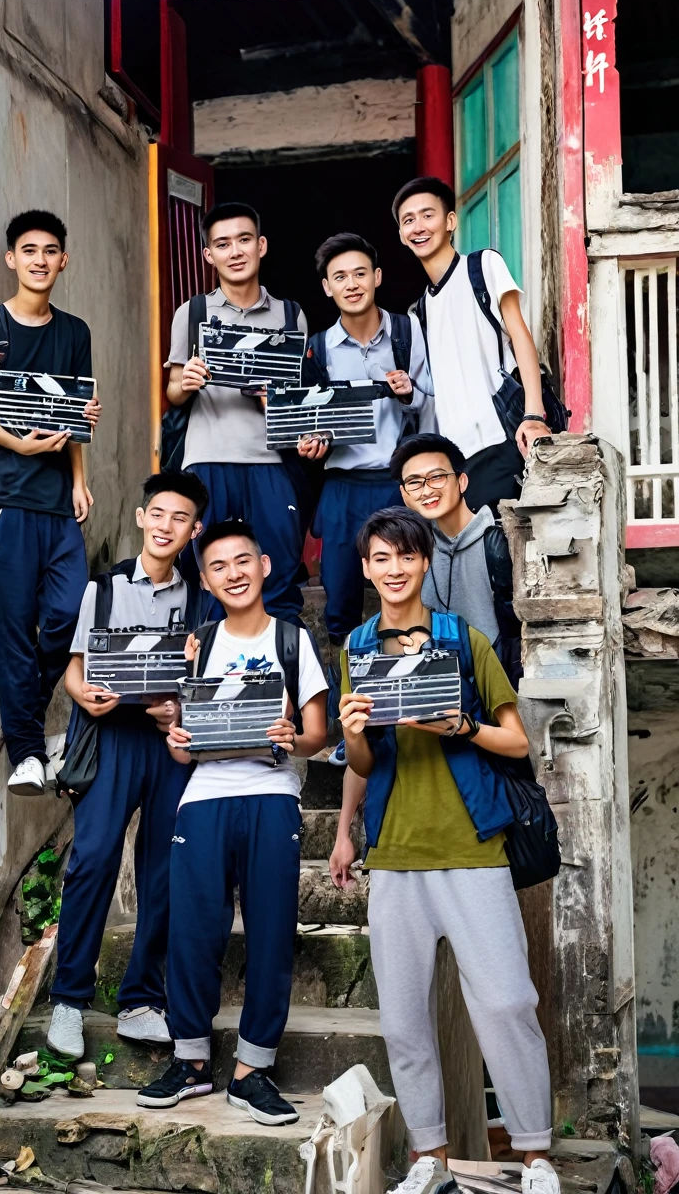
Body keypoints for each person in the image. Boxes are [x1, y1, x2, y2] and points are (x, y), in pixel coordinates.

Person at [329, 508, 558, 1194]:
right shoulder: (357, 648)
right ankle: (428, 1158)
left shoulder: (466, 639)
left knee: (508, 1002)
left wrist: (463, 724)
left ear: (424, 561)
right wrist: (344, 829)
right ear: (366, 569)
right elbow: (361, 761)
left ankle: (536, 1156)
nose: (393, 569)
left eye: (405, 556)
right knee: (403, 1018)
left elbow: (518, 741)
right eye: (380, 558)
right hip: (395, 853)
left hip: (472, 846)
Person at [137, 520, 328, 1126]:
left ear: (266, 565)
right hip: (204, 798)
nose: (233, 574)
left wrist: (291, 737)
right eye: (218, 567)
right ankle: (190, 1062)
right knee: (193, 930)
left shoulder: (292, 640)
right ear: (206, 579)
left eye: (243, 561)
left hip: (271, 795)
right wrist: (178, 739)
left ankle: (252, 1072)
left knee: (271, 933)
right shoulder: (198, 644)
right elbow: (182, 748)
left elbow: (320, 734)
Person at [47, 470, 216, 1059]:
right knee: (93, 859)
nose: (168, 526)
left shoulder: (202, 601)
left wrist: (180, 704)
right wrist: (82, 694)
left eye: (182, 519)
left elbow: (206, 686)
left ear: (193, 531)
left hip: (168, 744)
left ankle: (143, 1000)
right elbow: (74, 666)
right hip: (112, 737)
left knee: (164, 867)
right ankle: (69, 1000)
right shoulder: (106, 589)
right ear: (143, 517)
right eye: (160, 514)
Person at [0, 210, 101, 794]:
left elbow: (77, 414)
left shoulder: (76, 333)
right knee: (14, 631)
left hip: (58, 505)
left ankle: (29, 727)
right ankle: (26, 753)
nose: (40, 260)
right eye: (29, 250)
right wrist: (17, 442)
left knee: (69, 616)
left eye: (51, 251)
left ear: (63, 261)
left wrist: (79, 480)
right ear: (11, 259)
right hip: (9, 503)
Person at [164, 202, 308, 622]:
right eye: (222, 244)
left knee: (277, 576)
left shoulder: (290, 314)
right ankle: (209, 679)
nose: (235, 251)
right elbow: (173, 392)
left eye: (244, 240)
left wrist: (273, 397)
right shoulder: (192, 313)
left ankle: (288, 680)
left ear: (261, 246)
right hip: (206, 461)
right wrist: (185, 380)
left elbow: (299, 401)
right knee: (207, 578)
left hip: (270, 462)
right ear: (209, 255)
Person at [300, 232, 435, 646]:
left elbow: (433, 402)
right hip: (342, 486)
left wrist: (410, 392)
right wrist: (311, 446)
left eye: (360, 273)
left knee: (413, 590)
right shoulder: (318, 348)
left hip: (399, 483)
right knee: (340, 598)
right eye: (340, 277)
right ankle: (348, 702)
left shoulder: (407, 331)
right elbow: (306, 422)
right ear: (327, 287)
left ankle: (416, 688)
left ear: (377, 277)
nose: (352, 284)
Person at [392, 177, 550, 514]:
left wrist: (533, 414)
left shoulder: (482, 267)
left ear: (450, 222)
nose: (418, 226)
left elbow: (520, 337)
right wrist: (409, 389)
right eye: (408, 220)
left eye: (427, 215)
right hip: (457, 462)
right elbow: (439, 387)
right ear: (402, 236)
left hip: (501, 442)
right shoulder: (418, 310)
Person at [390, 432, 521, 687]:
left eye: (437, 477)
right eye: (415, 483)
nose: (427, 490)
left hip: (497, 682)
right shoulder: (413, 552)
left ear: (461, 481)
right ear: (405, 495)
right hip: (435, 686)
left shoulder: (497, 541)